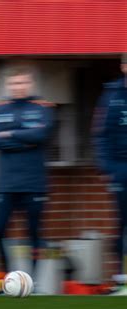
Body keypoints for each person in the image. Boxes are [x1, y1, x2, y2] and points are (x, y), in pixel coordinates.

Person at [0, 67, 54, 272]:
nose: (19, 87)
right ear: (8, 85)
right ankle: (7, 275)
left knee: (34, 233)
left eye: (23, 82)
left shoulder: (42, 108)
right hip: (6, 184)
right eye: (14, 83)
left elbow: (41, 136)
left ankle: (32, 280)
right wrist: (24, 138)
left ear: (30, 84)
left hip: (34, 183)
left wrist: (9, 134)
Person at [93, 53, 127, 279]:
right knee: (122, 222)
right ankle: (119, 274)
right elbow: (101, 135)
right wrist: (109, 168)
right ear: (124, 67)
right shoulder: (111, 94)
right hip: (121, 169)